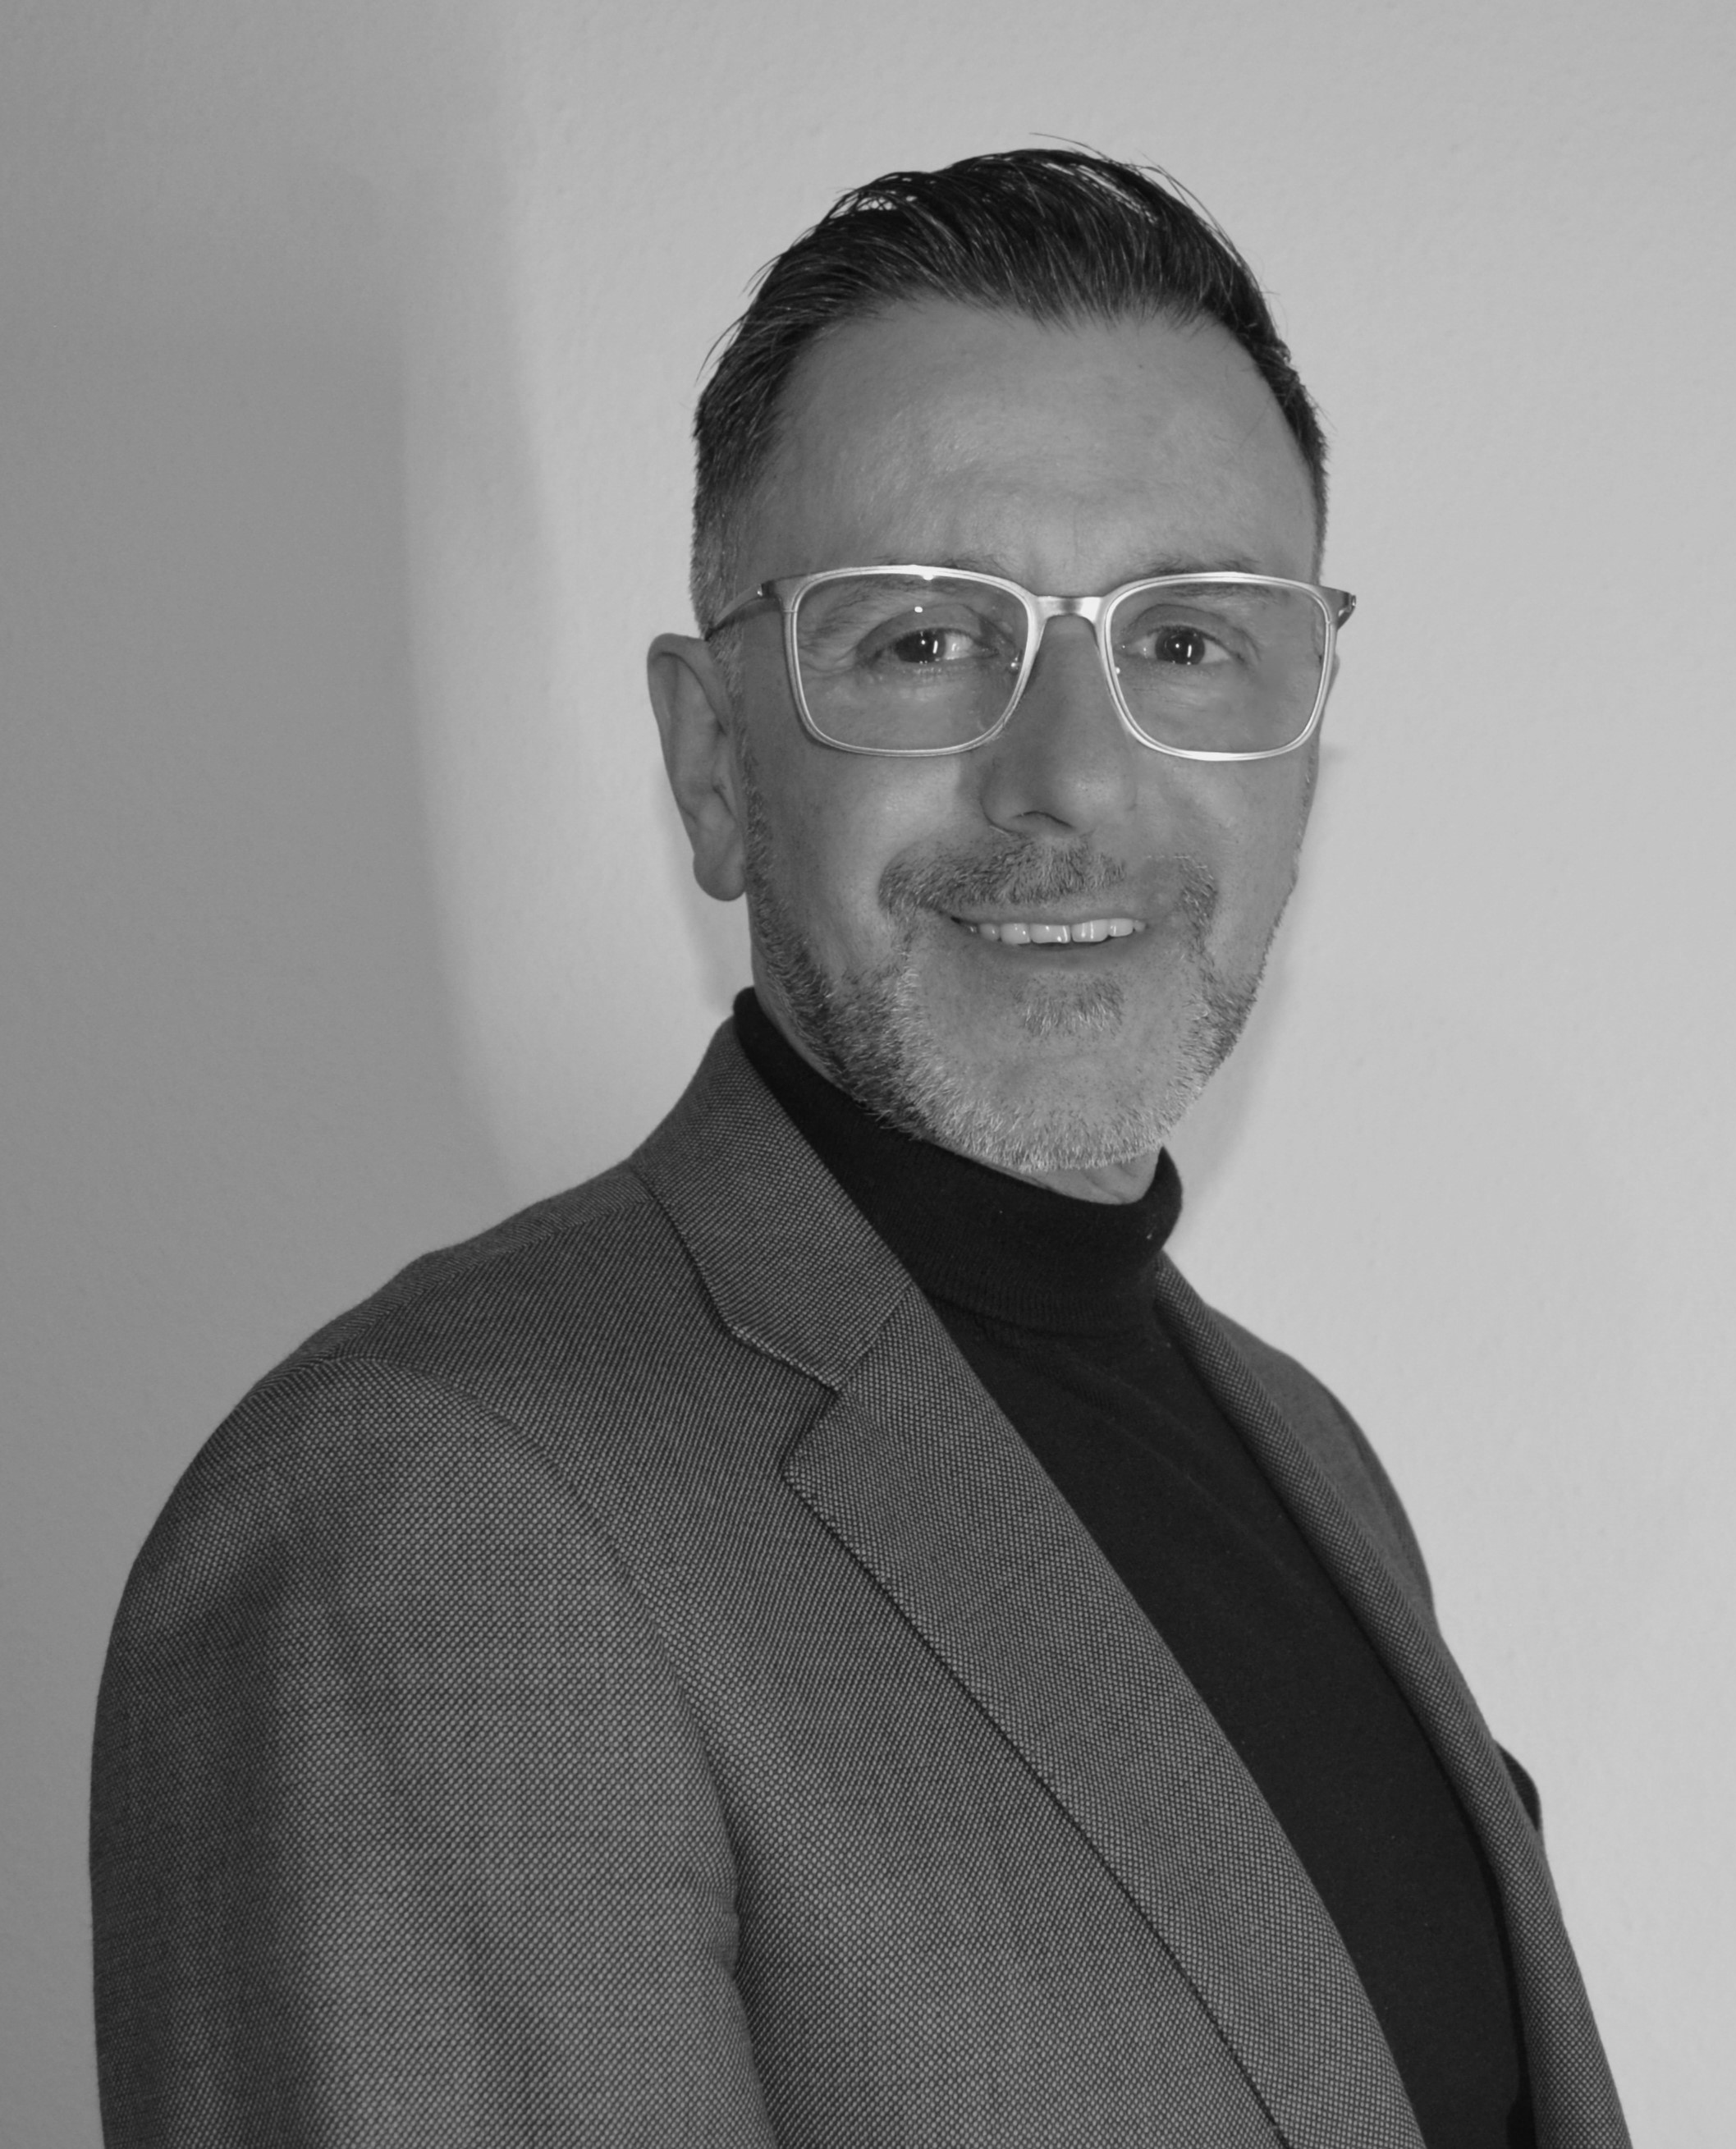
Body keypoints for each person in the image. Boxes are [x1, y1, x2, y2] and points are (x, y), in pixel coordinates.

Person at [89, 149, 1630, 2149]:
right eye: (922, 640)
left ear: (1304, 750)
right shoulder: (432, 1515)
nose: (1073, 779)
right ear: (714, 763)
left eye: (1188, 641)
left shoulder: (1306, 1453)